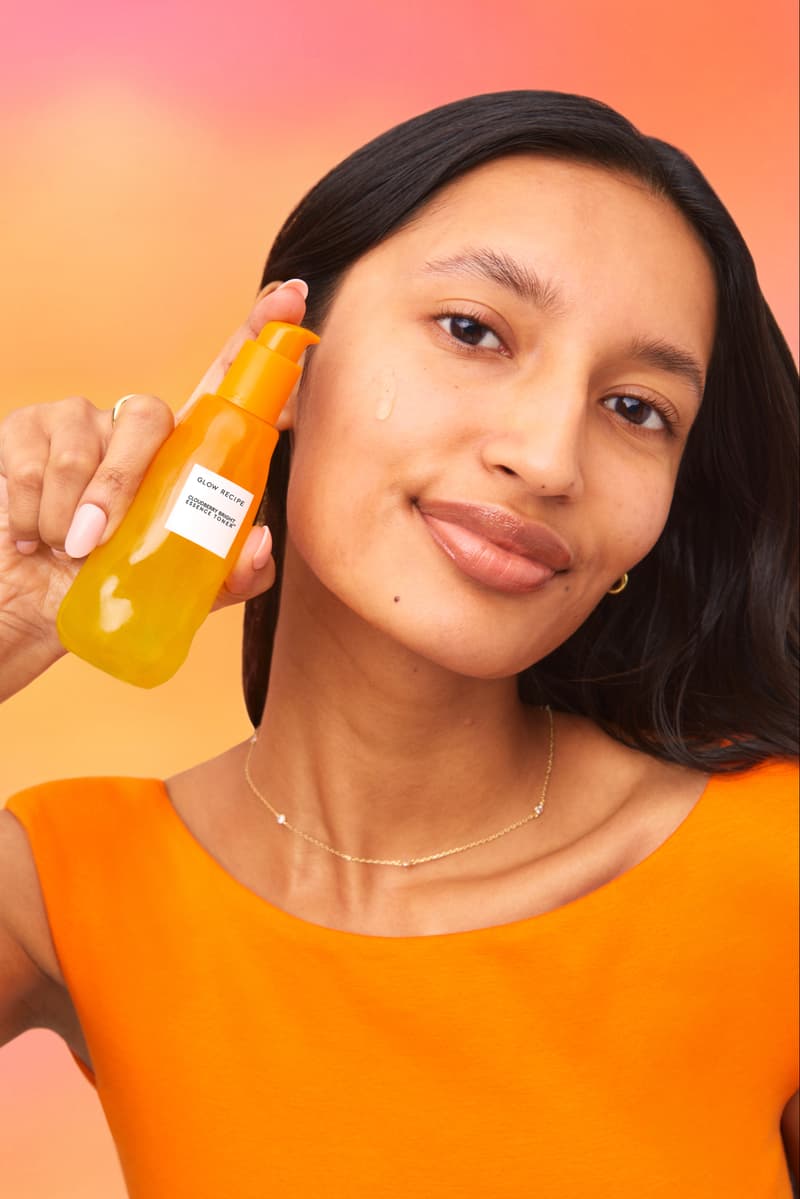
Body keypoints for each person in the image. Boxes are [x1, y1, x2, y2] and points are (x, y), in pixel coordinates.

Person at [0, 91, 797, 1198]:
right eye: (472, 330)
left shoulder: (776, 861)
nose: (545, 454)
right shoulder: (64, 883)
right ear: (282, 360)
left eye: (634, 408)